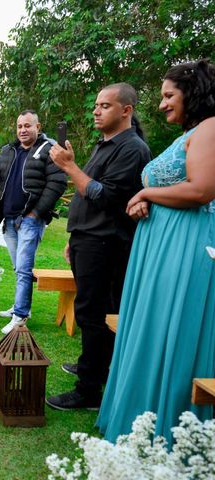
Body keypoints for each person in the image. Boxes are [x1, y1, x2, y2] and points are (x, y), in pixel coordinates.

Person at [97, 60, 215, 443]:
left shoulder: (211, 129)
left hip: (185, 251)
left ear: (193, 92)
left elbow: (201, 190)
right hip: (161, 249)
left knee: (172, 331)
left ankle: (167, 430)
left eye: (169, 95)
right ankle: (141, 420)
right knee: (151, 328)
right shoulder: (193, 133)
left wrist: (145, 193)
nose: (163, 103)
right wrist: (150, 199)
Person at [46, 83, 151, 410]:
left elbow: (106, 198)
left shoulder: (132, 148)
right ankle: (95, 365)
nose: (96, 110)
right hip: (87, 239)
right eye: (97, 105)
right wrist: (73, 236)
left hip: (106, 243)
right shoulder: (104, 145)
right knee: (93, 309)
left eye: (105, 105)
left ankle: (88, 390)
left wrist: (69, 167)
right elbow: (85, 193)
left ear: (126, 110)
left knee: (95, 312)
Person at [0, 110, 66, 334]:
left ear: (38, 126)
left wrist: (36, 213)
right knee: (19, 268)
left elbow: (57, 183)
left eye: (27, 126)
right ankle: (20, 306)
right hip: (9, 219)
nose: (23, 130)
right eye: (19, 126)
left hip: (29, 220)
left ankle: (20, 315)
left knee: (24, 268)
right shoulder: (9, 150)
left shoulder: (49, 149)